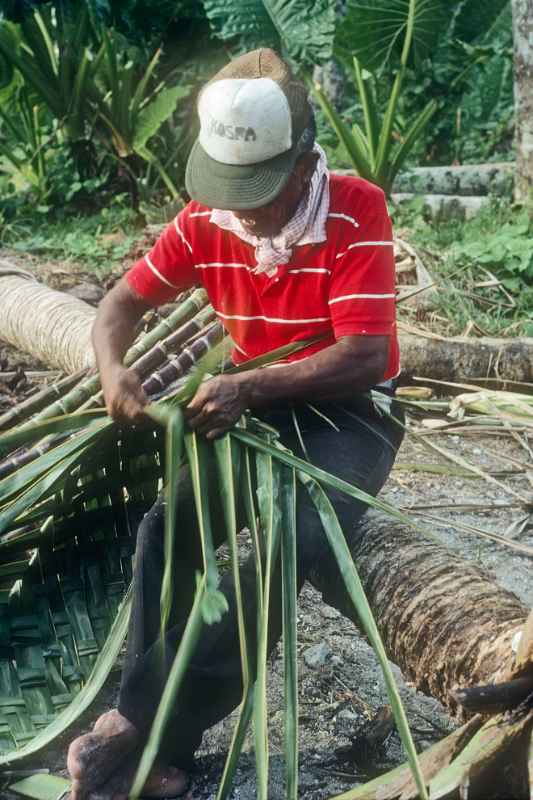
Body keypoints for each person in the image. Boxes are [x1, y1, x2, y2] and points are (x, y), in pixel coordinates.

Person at [66, 48, 404, 799]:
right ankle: (166, 749)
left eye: (258, 189)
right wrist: (112, 370)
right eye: (230, 188)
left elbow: (363, 356)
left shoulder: (356, 209)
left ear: (301, 159)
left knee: (291, 542)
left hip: (349, 414)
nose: (241, 207)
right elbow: (119, 306)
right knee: (166, 529)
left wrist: (249, 387)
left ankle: (136, 721)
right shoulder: (204, 221)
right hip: (254, 411)